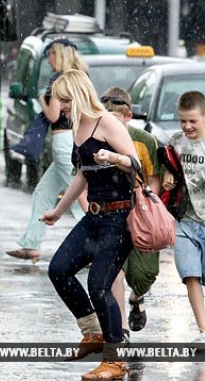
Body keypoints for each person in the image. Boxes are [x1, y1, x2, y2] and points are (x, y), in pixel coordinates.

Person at [41, 69, 139, 380]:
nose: (63, 108)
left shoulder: (106, 121)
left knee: (98, 285)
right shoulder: (77, 128)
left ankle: (114, 360)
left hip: (119, 217)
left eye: (65, 101)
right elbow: (82, 174)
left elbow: (135, 163)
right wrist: (58, 210)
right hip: (94, 216)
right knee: (58, 269)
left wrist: (113, 157)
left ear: (79, 95)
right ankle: (93, 333)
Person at [6, 37, 88, 262]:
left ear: (58, 54)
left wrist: (42, 98)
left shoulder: (58, 81)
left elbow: (53, 115)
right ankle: (30, 244)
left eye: (51, 54)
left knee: (79, 197)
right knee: (43, 193)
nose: (49, 60)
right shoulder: (81, 78)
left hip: (62, 143)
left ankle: (95, 245)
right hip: (75, 140)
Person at [103, 87, 162, 344]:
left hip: (140, 213)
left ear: (127, 117)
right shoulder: (97, 139)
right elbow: (82, 180)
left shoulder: (145, 141)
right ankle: (122, 329)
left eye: (114, 120)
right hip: (111, 214)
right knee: (113, 271)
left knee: (145, 274)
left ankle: (137, 297)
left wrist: (148, 205)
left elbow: (154, 179)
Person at [162, 91, 205, 343]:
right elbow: (168, 166)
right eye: (182, 121)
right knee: (191, 275)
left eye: (193, 121)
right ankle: (203, 330)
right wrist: (169, 175)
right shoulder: (175, 142)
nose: (187, 126)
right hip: (184, 220)